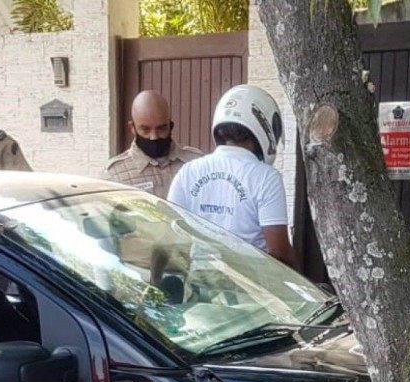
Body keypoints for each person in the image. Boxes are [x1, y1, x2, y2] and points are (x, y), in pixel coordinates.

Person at [166, 84, 297, 267]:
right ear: (265, 124)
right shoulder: (266, 178)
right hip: (250, 288)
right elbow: (280, 253)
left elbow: (171, 237)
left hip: (198, 287)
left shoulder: (188, 172)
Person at [101, 90, 201, 198]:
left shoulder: (197, 163)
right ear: (132, 128)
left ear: (170, 125)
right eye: (145, 129)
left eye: (161, 129)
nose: (154, 137)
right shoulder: (114, 175)